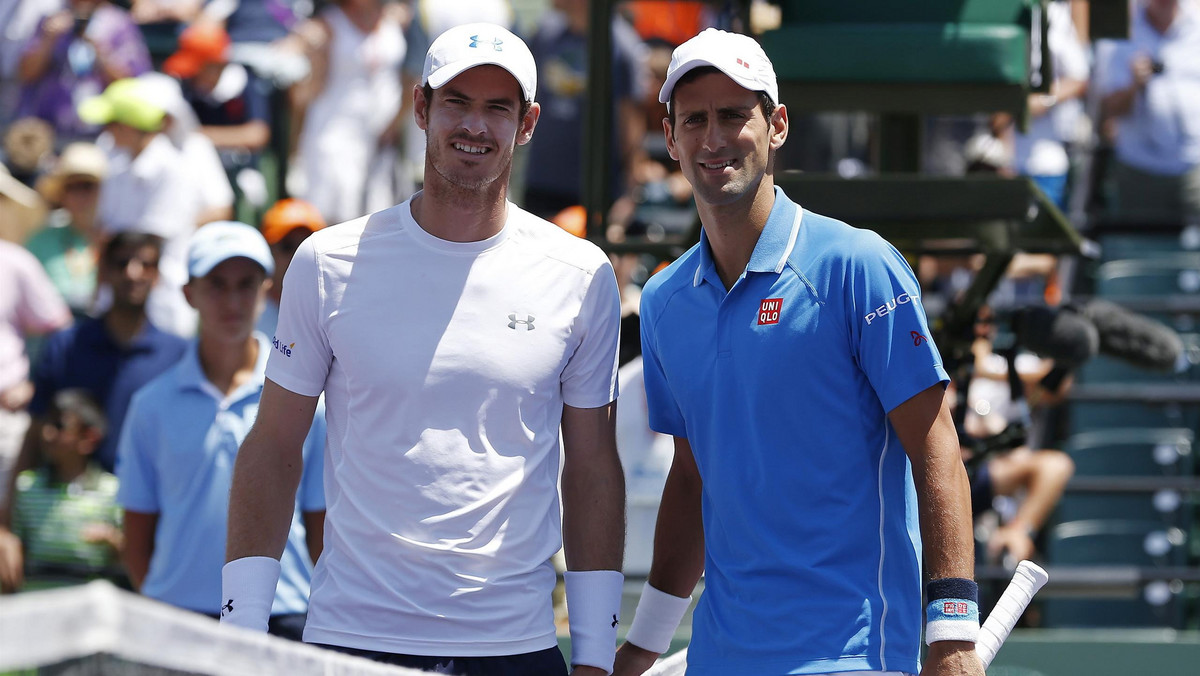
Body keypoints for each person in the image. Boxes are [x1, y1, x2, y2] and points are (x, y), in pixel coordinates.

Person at [223, 23, 625, 676]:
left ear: (528, 124)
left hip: (513, 648)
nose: (476, 125)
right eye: (457, 103)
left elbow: (592, 469)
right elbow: (272, 447)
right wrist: (239, 638)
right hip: (350, 641)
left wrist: (597, 657)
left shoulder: (581, 274)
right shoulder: (326, 261)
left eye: (498, 107)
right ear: (420, 109)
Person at [613, 29, 983, 676]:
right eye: (694, 119)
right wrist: (642, 647)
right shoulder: (666, 302)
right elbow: (693, 475)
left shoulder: (857, 265)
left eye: (735, 115)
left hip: (855, 657)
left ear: (777, 125)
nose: (714, 137)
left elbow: (936, 446)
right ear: (669, 139)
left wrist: (952, 637)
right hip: (719, 659)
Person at [117, 221, 324, 639]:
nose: (233, 300)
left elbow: (320, 523)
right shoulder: (150, 406)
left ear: (266, 288)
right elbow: (136, 531)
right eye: (216, 284)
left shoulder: (309, 403)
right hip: (176, 615)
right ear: (188, 294)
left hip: (284, 611)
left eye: (246, 284)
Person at [80, 77, 202, 337]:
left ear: (128, 126)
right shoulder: (118, 169)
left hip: (161, 303)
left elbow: (148, 241)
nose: (106, 131)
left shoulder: (172, 170)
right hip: (119, 299)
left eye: (110, 123)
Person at [289, 0, 407, 223]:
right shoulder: (323, 26)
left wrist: (396, 121)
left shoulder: (397, 17)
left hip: (381, 137)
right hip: (334, 131)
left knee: (378, 213)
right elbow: (306, 91)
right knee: (331, 214)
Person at [1096, 0, 1200, 224]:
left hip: (1195, 165)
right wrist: (1134, 85)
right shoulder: (1120, 34)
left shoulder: (1196, 24)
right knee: (1141, 250)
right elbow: (1107, 110)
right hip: (1140, 169)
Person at [11, 388, 123, 591]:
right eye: (47, 423)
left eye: (59, 426)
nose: (47, 434)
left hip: (91, 602)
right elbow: (15, 545)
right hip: (36, 598)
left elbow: (131, 555)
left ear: (89, 438)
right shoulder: (27, 486)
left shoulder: (112, 491)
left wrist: (112, 538)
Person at [15, 0, 151, 142]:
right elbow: (26, 74)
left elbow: (131, 84)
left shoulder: (119, 23)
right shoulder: (51, 19)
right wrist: (48, 40)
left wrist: (99, 51)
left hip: (101, 135)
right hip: (47, 130)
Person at [27, 142, 108, 317]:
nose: (80, 195)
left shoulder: (118, 241)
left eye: (87, 186)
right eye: (72, 187)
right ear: (62, 194)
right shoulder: (40, 241)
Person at [256, 197, 326, 337]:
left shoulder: (334, 311)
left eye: (308, 247)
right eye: (287, 246)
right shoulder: (247, 314)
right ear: (268, 250)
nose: (298, 255)